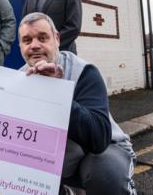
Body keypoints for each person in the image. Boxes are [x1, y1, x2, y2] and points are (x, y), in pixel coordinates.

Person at [17, 13, 137, 195]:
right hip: (54, 158)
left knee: (105, 174)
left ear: (56, 39)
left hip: (100, 151)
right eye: (27, 40)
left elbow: (97, 139)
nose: (34, 45)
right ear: (20, 46)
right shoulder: (16, 81)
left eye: (42, 38)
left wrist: (56, 93)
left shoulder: (84, 72)